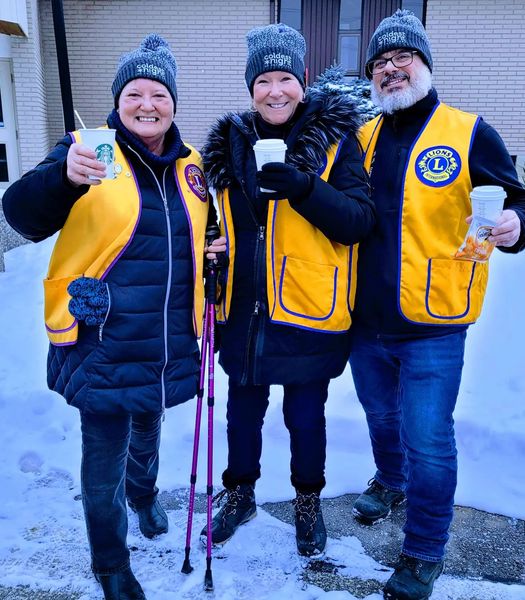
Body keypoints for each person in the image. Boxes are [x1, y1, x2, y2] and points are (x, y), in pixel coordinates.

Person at [2, 34, 224, 600]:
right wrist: (62, 177)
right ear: (118, 100)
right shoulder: (87, 149)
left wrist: (213, 251)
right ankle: (111, 564)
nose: (147, 103)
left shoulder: (193, 166)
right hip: (101, 334)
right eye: (134, 93)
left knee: (149, 427)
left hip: (167, 335)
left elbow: (200, 234)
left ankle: (145, 495)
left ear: (173, 102)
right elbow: (22, 214)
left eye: (158, 93)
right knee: (104, 455)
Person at [348, 10, 525, 600]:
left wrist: (512, 223)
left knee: (428, 436)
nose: (391, 70)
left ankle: (424, 549)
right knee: (381, 419)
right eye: (380, 63)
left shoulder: (469, 131)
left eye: (403, 59)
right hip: (365, 320)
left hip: (435, 320)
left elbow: (520, 201)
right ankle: (391, 480)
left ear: (425, 65)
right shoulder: (363, 136)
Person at [202, 23, 375, 557]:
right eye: (262, 81)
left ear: (302, 81)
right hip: (244, 311)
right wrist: (214, 245)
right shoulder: (229, 143)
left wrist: (304, 188)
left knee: (305, 418)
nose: (275, 91)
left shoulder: (334, 142)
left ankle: (307, 500)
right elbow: (213, 219)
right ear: (250, 87)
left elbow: (358, 221)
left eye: (284, 78)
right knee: (241, 413)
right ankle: (240, 492)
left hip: (308, 310)